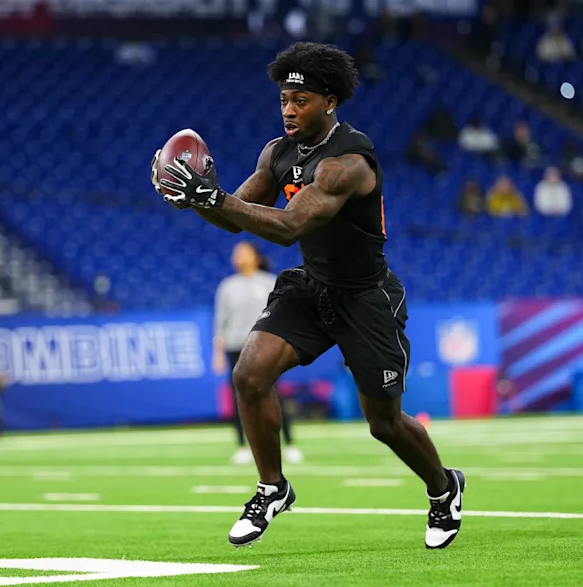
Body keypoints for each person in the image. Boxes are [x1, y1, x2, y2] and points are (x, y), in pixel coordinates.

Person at [151, 42, 464, 550]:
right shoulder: (277, 153)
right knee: (249, 375)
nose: (289, 110)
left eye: (301, 100)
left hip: (365, 298)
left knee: (384, 424)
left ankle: (444, 487)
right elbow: (236, 216)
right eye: (284, 101)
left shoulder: (349, 162)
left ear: (330, 102)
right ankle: (272, 487)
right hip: (312, 287)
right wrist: (193, 196)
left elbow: (289, 227)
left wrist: (212, 196)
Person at [214, 241, 302, 465]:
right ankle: (243, 446)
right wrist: (218, 353)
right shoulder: (227, 286)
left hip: (264, 346)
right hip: (236, 346)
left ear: (256, 257)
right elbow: (221, 323)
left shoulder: (270, 282)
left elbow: (282, 315)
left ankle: (289, 443)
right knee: (239, 397)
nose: (239, 257)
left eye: (244, 253)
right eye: (236, 253)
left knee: (273, 393)